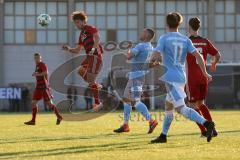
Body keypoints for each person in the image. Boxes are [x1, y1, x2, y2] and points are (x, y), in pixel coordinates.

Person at [150, 12, 215, 143]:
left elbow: (154, 56)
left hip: (171, 78)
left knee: (181, 108)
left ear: (167, 24)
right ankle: (163, 135)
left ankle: (207, 124)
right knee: (168, 106)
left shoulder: (164, 38)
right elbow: (199, 56)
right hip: (181, 77)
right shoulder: (186, 39)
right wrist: (205, 72)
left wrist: (152, 63)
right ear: (179, 24)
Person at [113, 28, 158, 134]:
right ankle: (125, 125)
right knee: (127, 100)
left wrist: (127, 51)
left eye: (142, 32)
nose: (140, 33)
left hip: (135, 77)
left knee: (134, 101)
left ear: (147, 35)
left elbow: (129, 56)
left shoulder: (140, 46)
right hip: (140, 77)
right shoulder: (151, 48)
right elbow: (150, 65)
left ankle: (151, 121)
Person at [186, 17, 221, 137]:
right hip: (203, 77)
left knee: (191, 106)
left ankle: (205, 130)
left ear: (189, 27)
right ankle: (213, 129)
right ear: (198, 27)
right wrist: (214, 63)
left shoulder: (186, 41)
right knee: (200, 103)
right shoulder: (205, 41)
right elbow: (217, 54)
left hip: (192, 79)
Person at [62, 11, 103, 111]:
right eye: (75, 23)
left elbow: (97, 38)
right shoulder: (81, 35)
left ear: (83, 21)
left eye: (78, 22)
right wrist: (69, 49)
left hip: (95, 57)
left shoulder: (89, 28)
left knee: (91, 81)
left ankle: (98, 103)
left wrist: (93, 49)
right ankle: (96, 86)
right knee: (80, 71)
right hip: (89, 58)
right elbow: (77, 50)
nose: (76, 25)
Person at [24, 53, 63, 125]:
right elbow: (40, 74)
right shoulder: (37, 66)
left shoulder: (42, 64)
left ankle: (59, 117)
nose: (36, 59)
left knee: (49, 104)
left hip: (44, 87)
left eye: (38, 58)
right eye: (35, 58)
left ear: (40, 58)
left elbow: (46, 72)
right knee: (33, 103)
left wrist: (37, 74)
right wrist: (36, 74)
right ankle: (33, 121)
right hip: (38, 87)